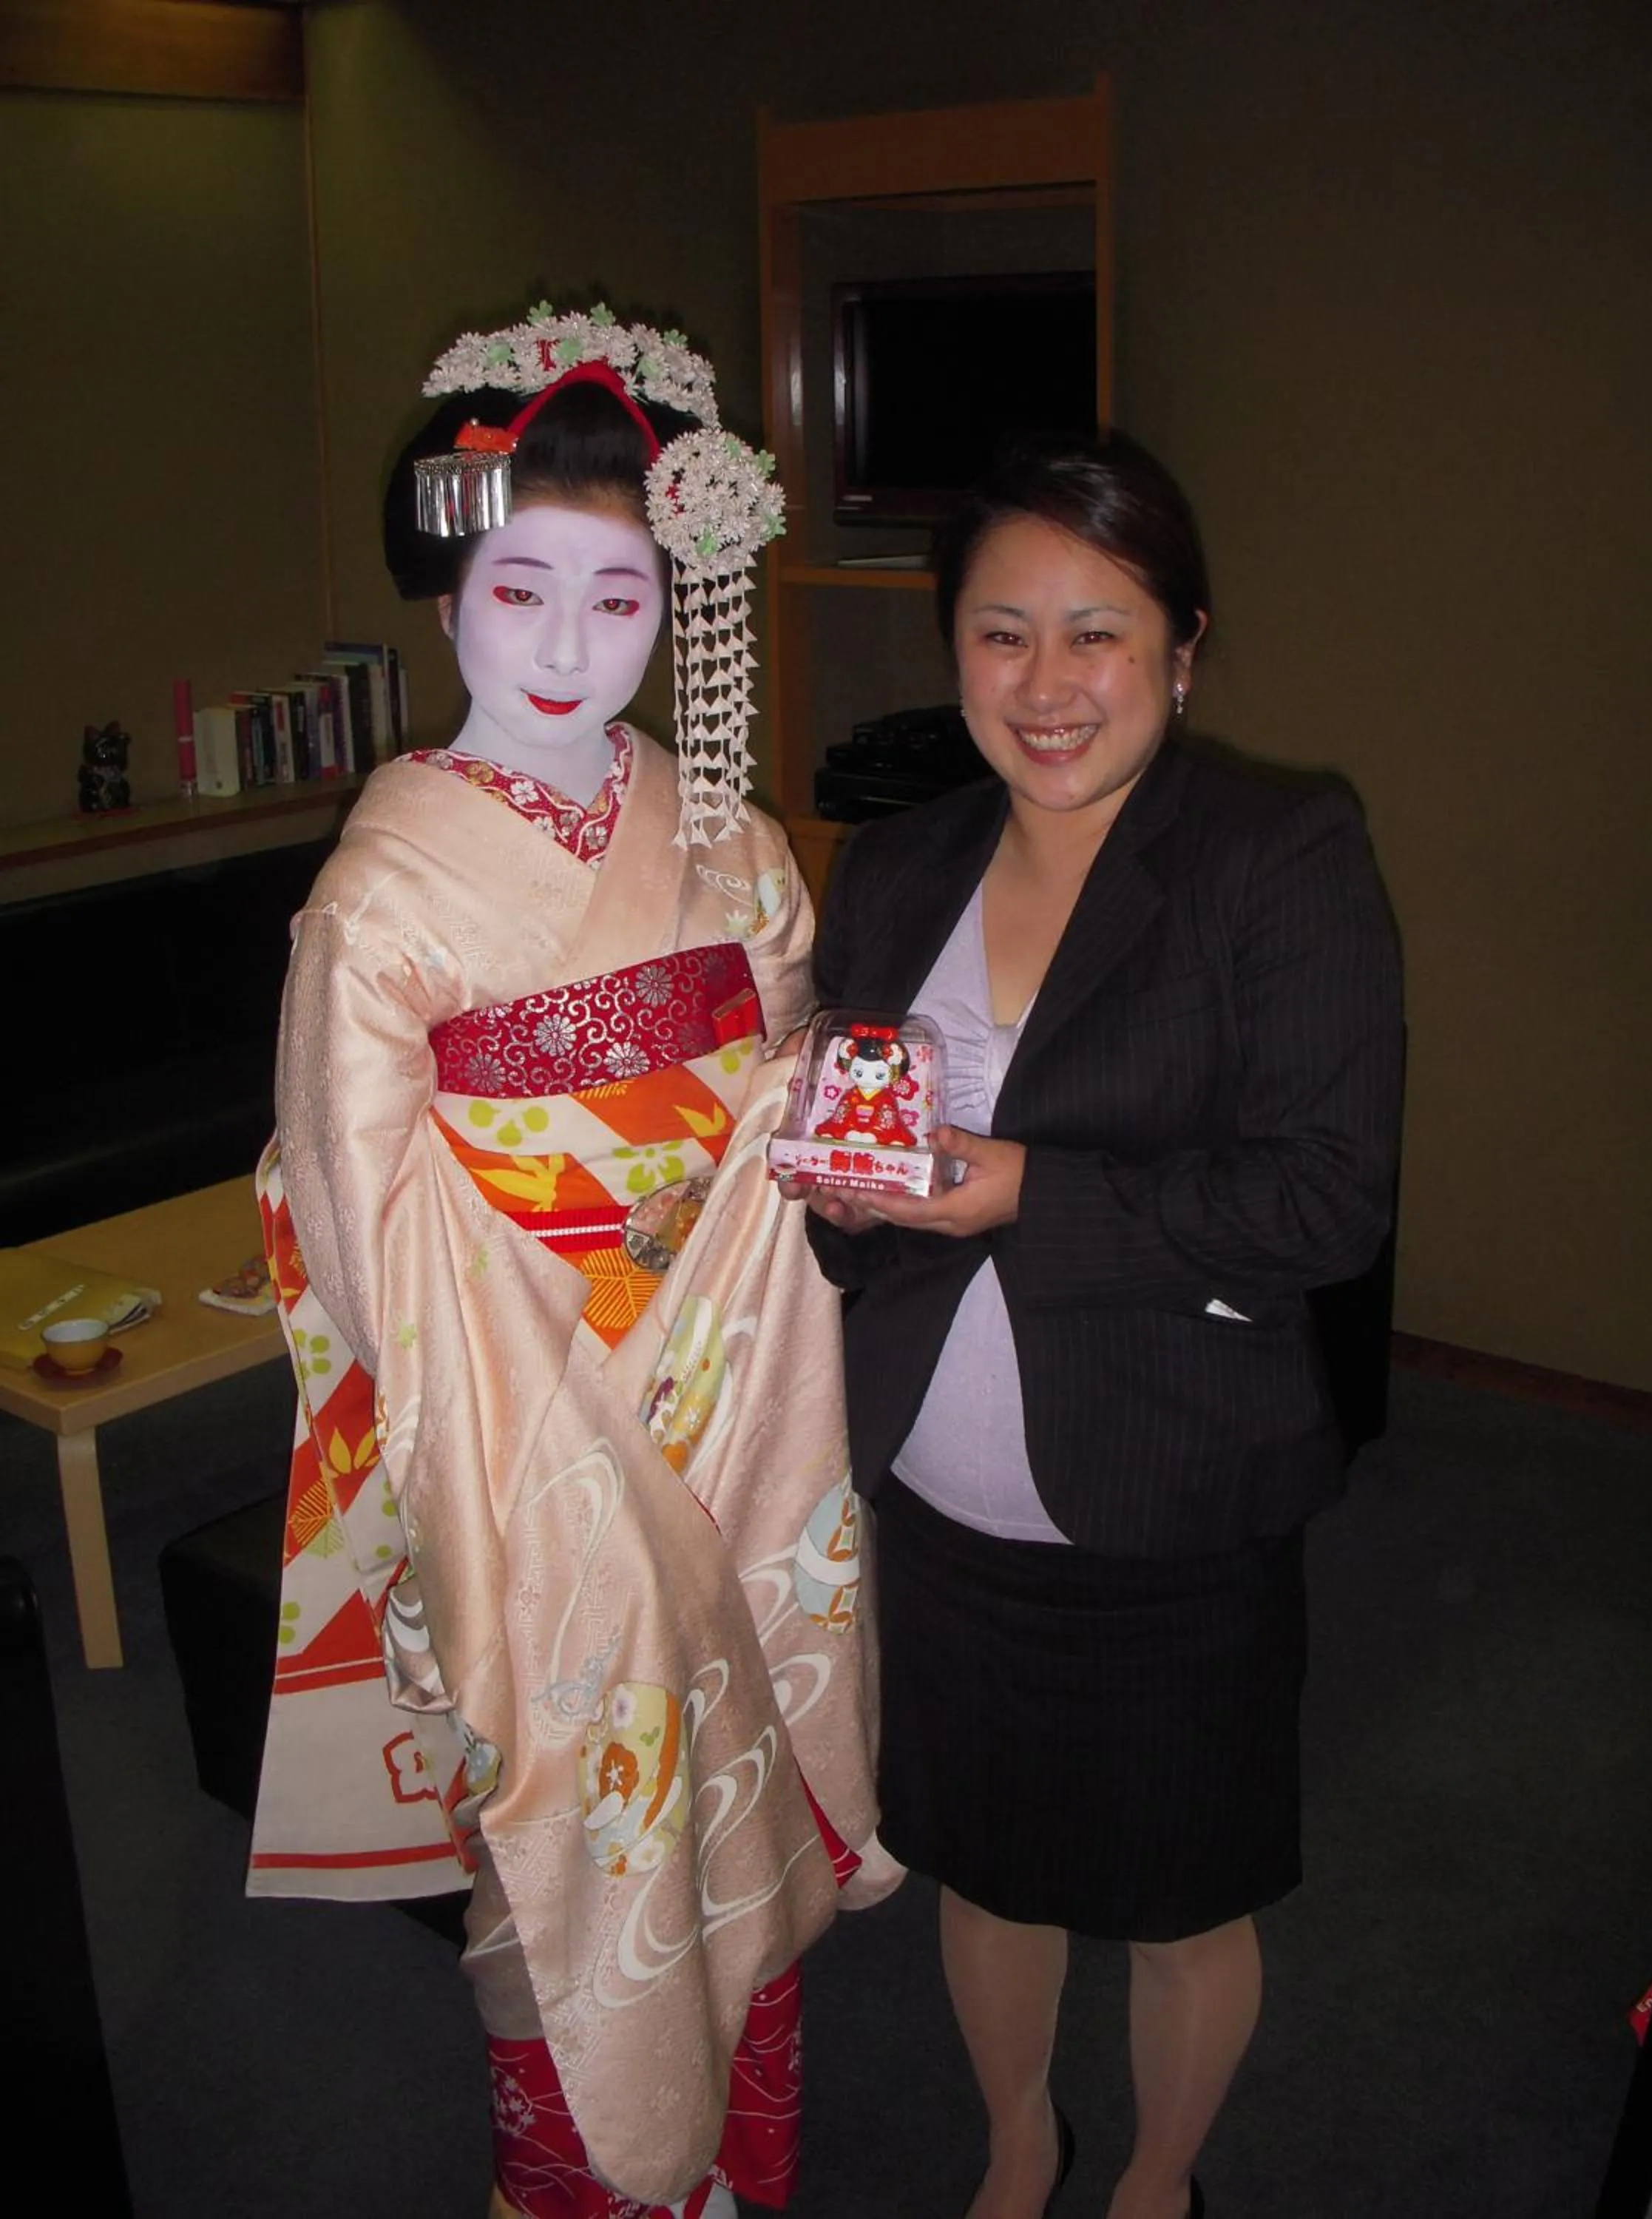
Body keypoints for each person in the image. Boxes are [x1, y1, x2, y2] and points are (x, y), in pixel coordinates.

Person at [249, 302, 890, 2219]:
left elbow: (779, 1050)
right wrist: (564, 1374)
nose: (564, 649)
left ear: (673, 610)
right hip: (516, 1418)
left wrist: (811, 1120)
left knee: (738, 1747)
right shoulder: (380, 892)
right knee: (572, 1810)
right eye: (520, 592)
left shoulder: (726, 835)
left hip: (734, 1375)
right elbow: (363, 1220)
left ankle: (738, 2167)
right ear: (448, 593)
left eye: (621, 602)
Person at [797, 431, 1404, 2219]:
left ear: (1183, 649)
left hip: (1168, 1500)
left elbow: (1325, 1200)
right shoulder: (897, 865)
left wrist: (1024, 1194)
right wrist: (847, 1201)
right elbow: (860, 1171)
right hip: (942, 1495)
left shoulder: (1277, 853)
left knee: (1178, 1899)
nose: (1045, 684)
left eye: (1098, 633)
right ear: (955, 651)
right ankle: (1019, 2145)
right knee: (985, 1866)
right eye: (1002, 634)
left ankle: (1157, 2180)